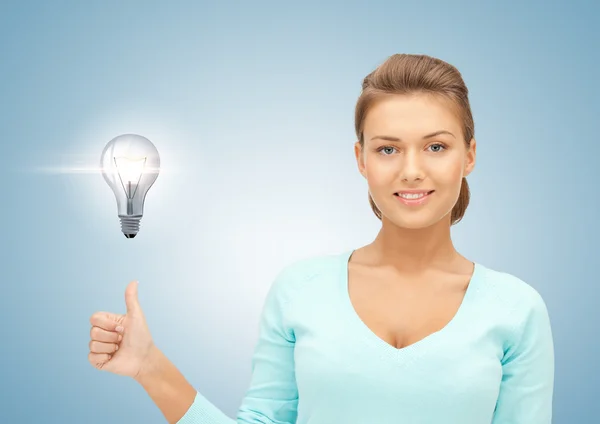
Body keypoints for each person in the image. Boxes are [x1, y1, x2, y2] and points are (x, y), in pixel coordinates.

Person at [88, 54, 554, 424]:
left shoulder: (516, 310)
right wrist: (149, 365)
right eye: (388, 148)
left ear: (468, 155)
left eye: (436, 146)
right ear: (361, 159)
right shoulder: (300, 290)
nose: (411, 170)